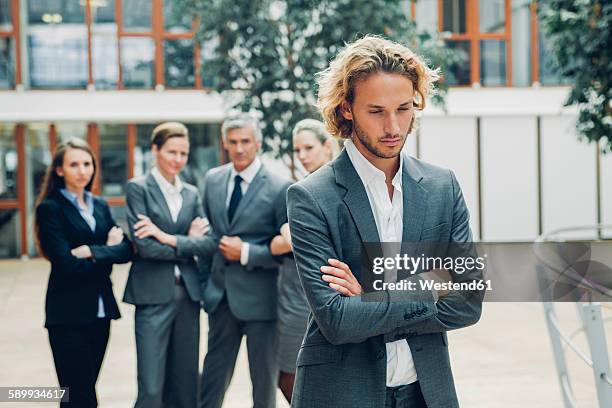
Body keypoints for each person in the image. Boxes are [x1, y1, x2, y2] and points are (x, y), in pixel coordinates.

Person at [286, 35, 484, 408]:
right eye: (376, 111)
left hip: (427, 392)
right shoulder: (310, 197)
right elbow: (337, 320)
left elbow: (469, 300)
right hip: (341, 392)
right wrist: (430, 284)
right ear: (346, 109)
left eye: (404, 109)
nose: (394, 126)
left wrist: (368, 301)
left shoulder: (443, 186)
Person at [174, 113, 291, 408]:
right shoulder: (213, 179)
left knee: (263, 386)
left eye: (246, 142)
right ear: (225, 143)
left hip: (263, 303)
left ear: (258, 143)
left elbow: (289, 250)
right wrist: (204, 286)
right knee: (212, 383)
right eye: (233, 142)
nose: (239, 149)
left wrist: (248, 252)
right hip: (220, 298)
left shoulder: (280, 187)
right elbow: (209, 235)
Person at [35, 138, 133, 407]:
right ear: (59, 170)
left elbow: (126, 250)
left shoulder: (99, 206)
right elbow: (67, 266)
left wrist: (91, 251)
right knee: (80, 396)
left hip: (101, 313)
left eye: (87, 163)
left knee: (80, 392)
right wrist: (107, 250)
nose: (82, 170)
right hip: (67, 315)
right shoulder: (50, 209)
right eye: (74, 164)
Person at [123, 122, 211, 408]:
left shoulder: (191, 193)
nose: (177, 159)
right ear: (155, 151)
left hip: (187, 296)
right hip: (152, 295)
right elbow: (145, 247)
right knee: (151, 386)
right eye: (171, 151)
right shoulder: (138, 189)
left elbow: (207, 243)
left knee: (185, 384)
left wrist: (167, 238)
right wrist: (185, 242)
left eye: (183, 153)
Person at [269, 118, 337, 402]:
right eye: (298, 150)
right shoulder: (293, 192)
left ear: (328, 146)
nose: (302, 156)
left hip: (338, 296)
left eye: (308, 148)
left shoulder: (345, 189)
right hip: (295, 299)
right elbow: (283, 242)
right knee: (286, 373)